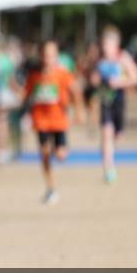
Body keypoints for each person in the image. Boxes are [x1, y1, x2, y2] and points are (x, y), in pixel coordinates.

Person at [23, 40, 85, 204]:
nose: (47, 58)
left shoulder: (62, 74)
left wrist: (78, 110)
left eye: (51, 55)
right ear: (40, 56)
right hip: (41, 120)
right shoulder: (34, 75)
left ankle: (59, 151)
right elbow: (26, 95)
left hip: (59, 121)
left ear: (56, 56)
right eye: (44, 55)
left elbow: (76, 91)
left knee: (60, 155)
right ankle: (51, 188)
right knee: (44, 154)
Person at [90, 25, 137, 183]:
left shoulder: (123, 58)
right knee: (106, 134)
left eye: (108, 44)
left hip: (119, 100)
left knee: (117, 136)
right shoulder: (100, 60)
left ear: (116, 43)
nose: (105, 47)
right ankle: (108, 168)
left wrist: (119, 82)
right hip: (105, 101)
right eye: (103, 44)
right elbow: (94, 78)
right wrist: (96, 80)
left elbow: (136, 78)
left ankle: (111, 153)